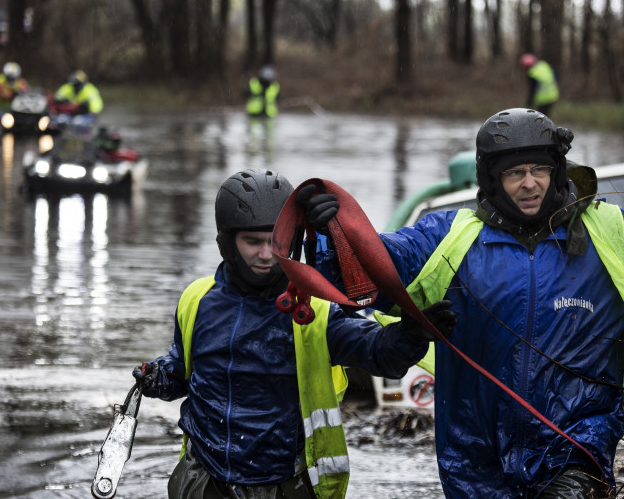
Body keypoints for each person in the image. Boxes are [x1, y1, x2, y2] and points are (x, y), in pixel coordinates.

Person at [300, 108, 624, 498]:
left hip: (576, 455)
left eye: (539, 170)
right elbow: (362, 271)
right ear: (492, 180)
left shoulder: (611, 234)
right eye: (514, 174)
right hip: (475, 465)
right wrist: (330, 232)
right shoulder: (447, 238)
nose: (529, 185)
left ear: (556, 170)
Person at [132, 168, 456, 499]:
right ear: (225, 243)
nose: (265, 254)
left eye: (275, 241)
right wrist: (161, 376)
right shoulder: (196, 299)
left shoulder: (313, 310)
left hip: (283, 484)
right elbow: (186, 370)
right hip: (204, 481)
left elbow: (377, 351)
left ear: (292, 238)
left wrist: (412, 334)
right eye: (252, 241)